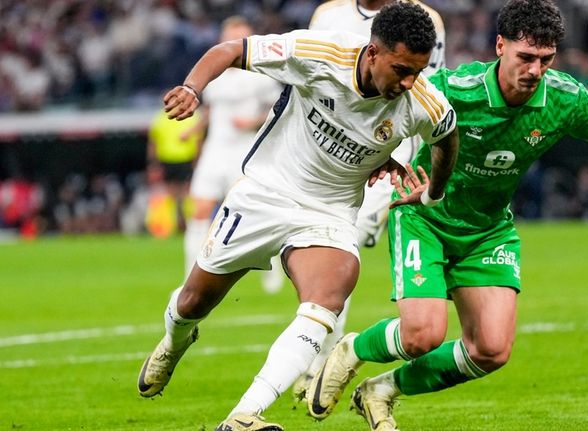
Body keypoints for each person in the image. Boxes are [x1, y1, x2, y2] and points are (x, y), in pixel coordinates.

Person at [305, 1, 588, 430]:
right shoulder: (454, 90)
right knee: (423, 335)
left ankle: (381, 391)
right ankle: (352, 349)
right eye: (526, 57)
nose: (535, 70)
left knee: (491, 350)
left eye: (546, 59)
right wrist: (386, 161)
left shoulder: (563, 98)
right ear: (500, 46)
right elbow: (387, 108)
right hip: (427, 216)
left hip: (489, 229)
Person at [136, 3, 459, 431]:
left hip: (330, 212)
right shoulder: (321, 54)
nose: (408, 82)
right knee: (194, 301)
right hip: (266, 193)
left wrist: (433, 192)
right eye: (400, 69)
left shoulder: (421, 101)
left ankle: (243, 415)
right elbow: (231, 49)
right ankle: (174, 343)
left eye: (416, 72)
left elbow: (447, 137)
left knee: (328, 298)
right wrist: (193, 89)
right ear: (373, 51)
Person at [290, 0, 448, 400]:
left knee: (341, 249)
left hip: (387, 162)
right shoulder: (328, 14)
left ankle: (318, 365)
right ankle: (315, 354)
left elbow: (431, 97)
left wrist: (408, 159)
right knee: (317, 254)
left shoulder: (426, 21)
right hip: (326, 155)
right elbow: (307, 78)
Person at [182, 16, 282, 277]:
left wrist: (253, 122)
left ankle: (272, 271)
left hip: (245, 152)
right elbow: (211, 111)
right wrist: (194, 133)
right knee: (200, 210)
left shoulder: (261, 76)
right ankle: (188, 276)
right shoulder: (214, 75)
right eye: (230, 36)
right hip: (215, 151)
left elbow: (278, 110)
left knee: (254, 215)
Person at [146, 106, 204, 234]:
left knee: (178, 193)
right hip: (177, 159)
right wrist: (154, 163)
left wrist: (153, 162)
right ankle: (179, 224)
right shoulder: (190, 116)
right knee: (181, 193)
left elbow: (153, 142)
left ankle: (183, 223)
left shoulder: (160, 118)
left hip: (178, 159)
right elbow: (153, 142)